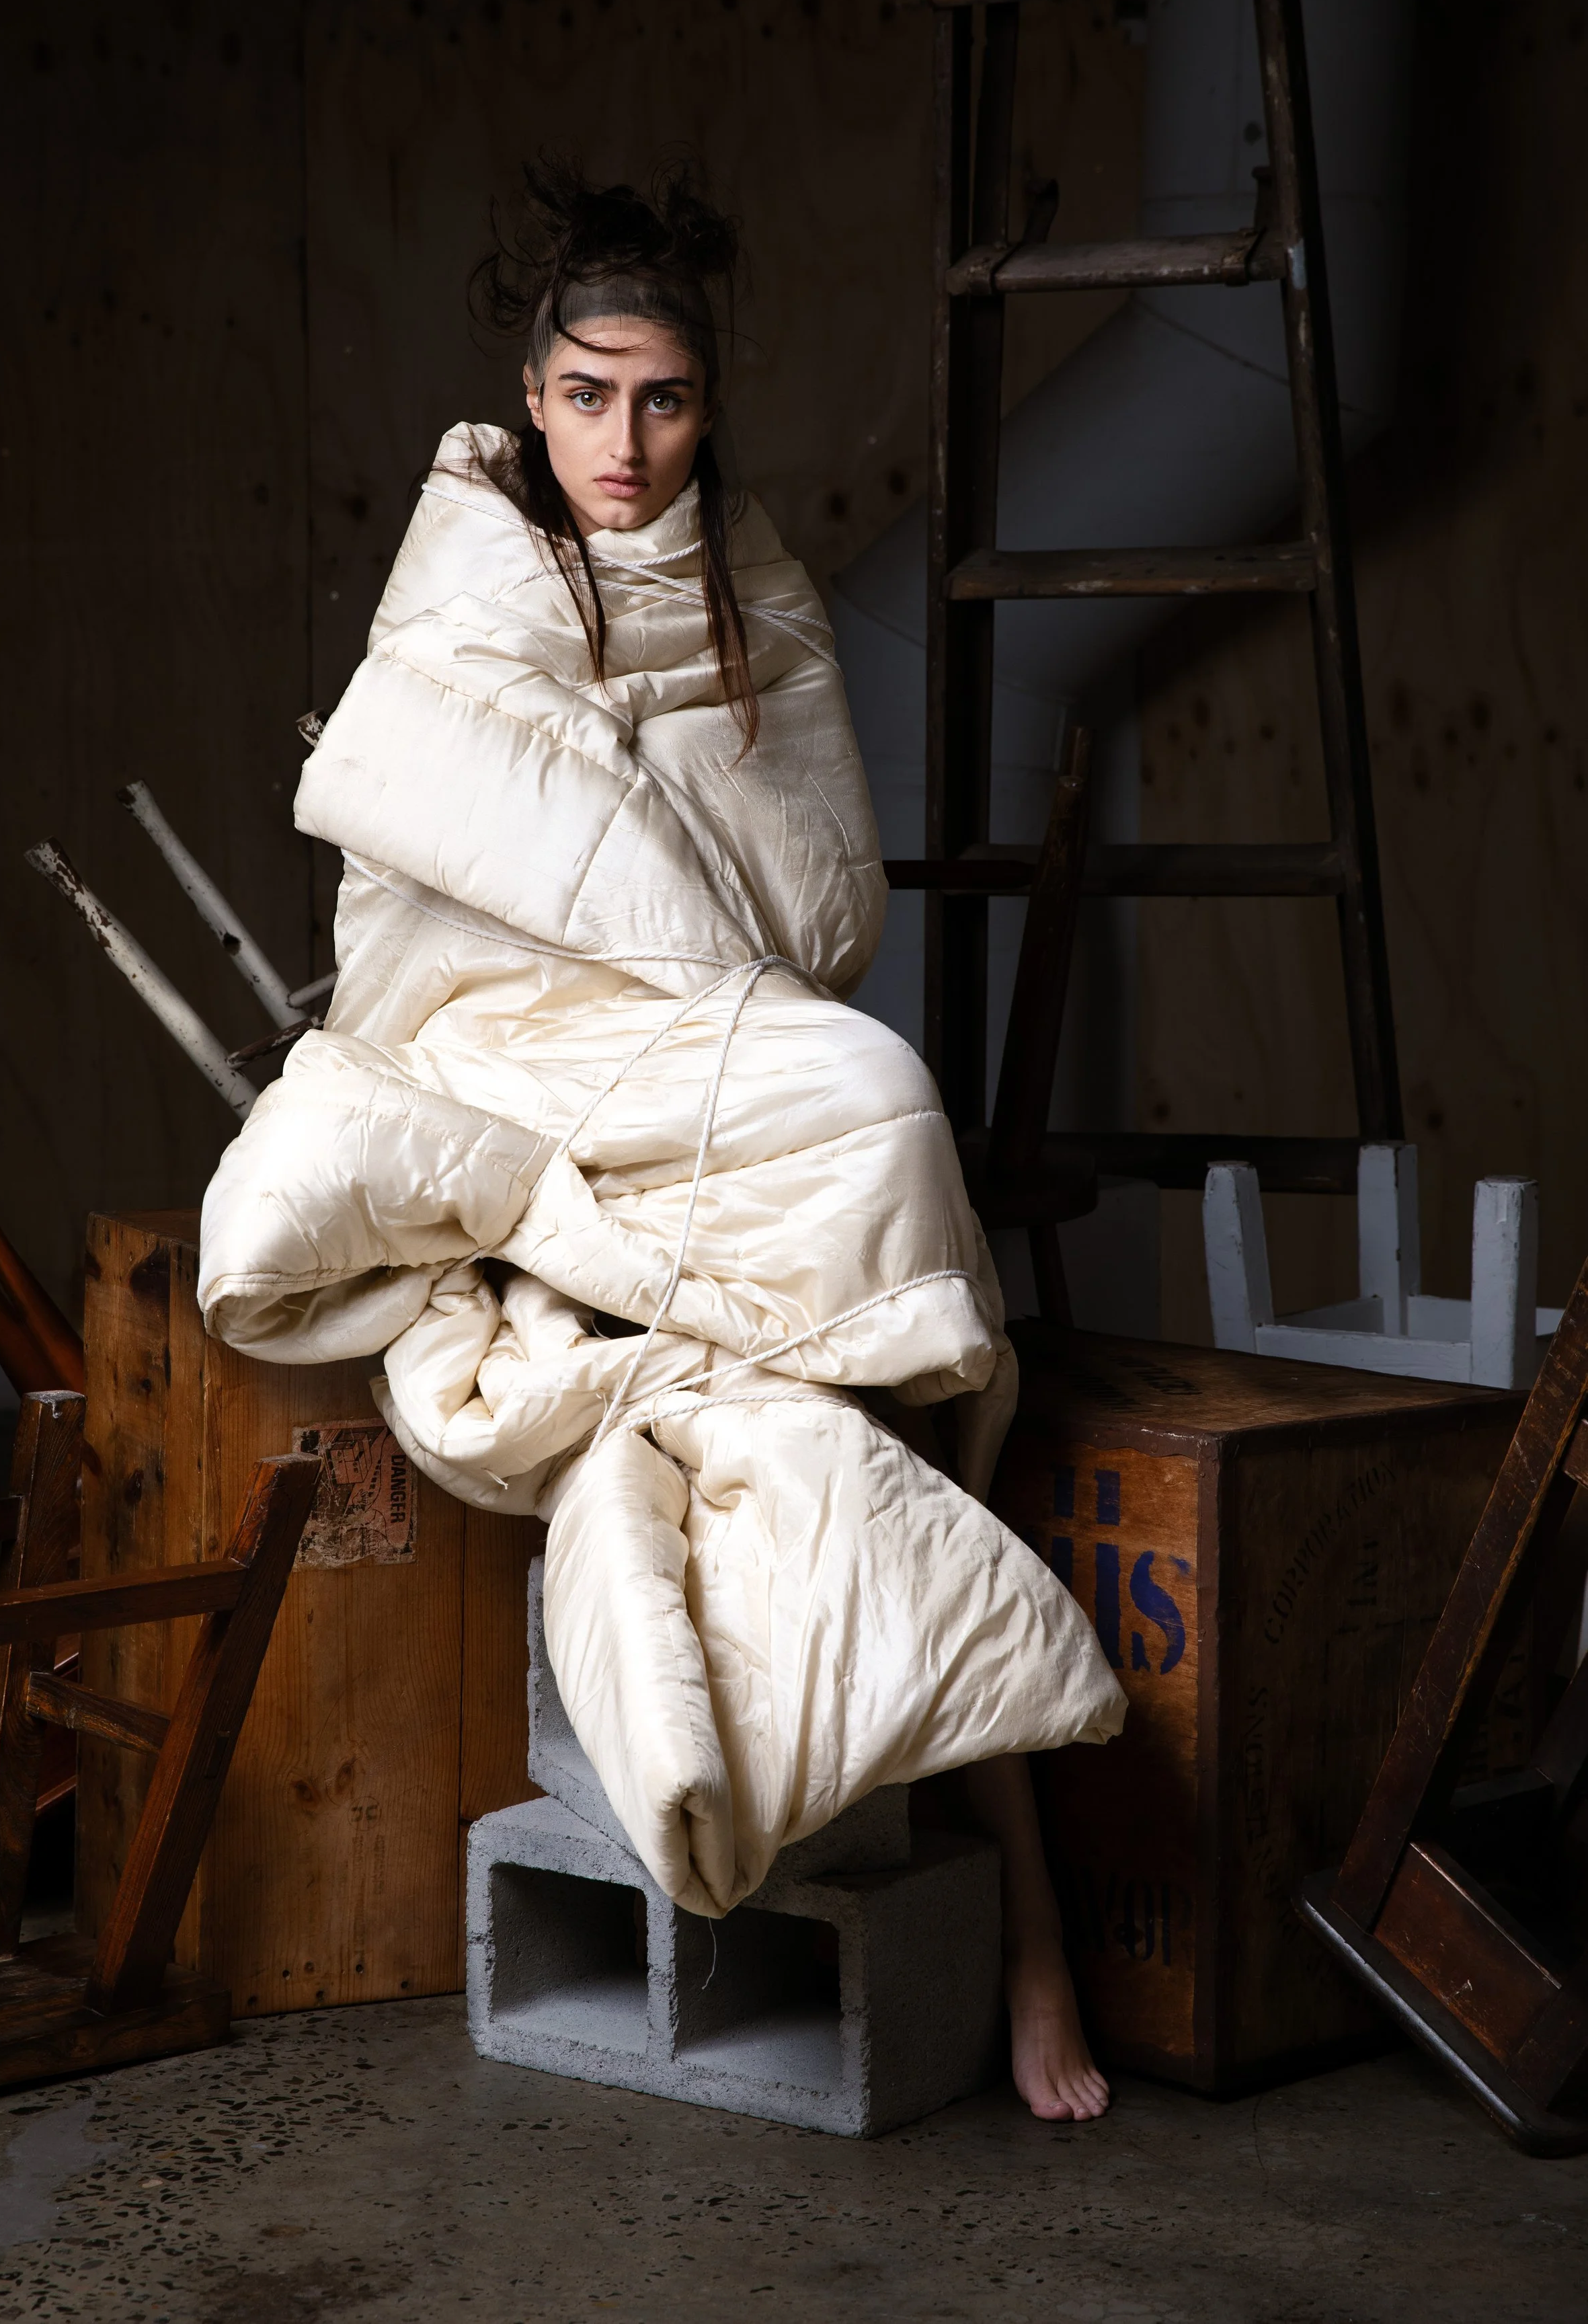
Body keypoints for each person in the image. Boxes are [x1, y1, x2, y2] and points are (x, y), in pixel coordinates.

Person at [198, 161, 1121, 2123]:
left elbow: (810, 904)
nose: (627, 444)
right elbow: (423, 875)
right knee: (868, 1110)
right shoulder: (463, 573)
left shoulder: (743, 570)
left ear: (712, 404)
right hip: (505, 1041)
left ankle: (1023, 1902)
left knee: (871, 1113)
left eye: (668, 400)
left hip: (696, 1023)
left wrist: (658, 844)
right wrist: (620, 848)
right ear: (529, 391)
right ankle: (1029, 1899)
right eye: (590, 393)